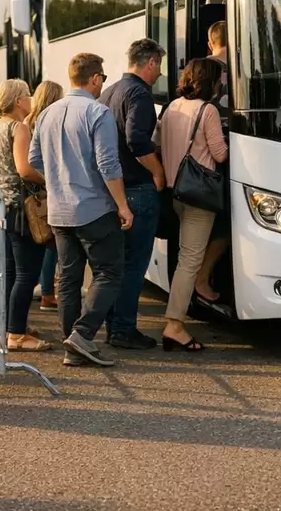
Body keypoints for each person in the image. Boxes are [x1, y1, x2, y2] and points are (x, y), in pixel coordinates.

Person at [29, 53, 133, 368]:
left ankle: (72, 346)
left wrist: (58, 179)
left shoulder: (46, 113)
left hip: (58, 210)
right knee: (109, 272)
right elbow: (108, 164)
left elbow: (34, 159)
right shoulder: (97, 112)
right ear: (96, 78)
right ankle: (82, 334)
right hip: (93, 208)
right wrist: (122, 205)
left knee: (68, 277)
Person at [98, 38, 166, 350]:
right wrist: (158, 171)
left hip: (113, 191)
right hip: (137, 189)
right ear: (150, 62)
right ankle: (124, 329)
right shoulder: (139, 94)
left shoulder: (109, 92)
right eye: (159, 66)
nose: (160, 73)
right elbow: (137, 140)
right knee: (135, 265)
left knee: (116, 265)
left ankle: (113, 325)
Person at [160, 58, 228, 351]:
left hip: (175, 191)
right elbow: (220, 154)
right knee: (190, 261)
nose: (221, 84)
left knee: (184, 257)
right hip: (199, 195)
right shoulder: (207, 110)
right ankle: (174, 325)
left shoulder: (172, 107)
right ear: (209, 82)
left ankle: (174, 321)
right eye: (219, 79)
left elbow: (158, 142)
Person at [0, 79, 53, 352]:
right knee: (27, 274)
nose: (31, 99)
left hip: (1, 206)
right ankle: (16, 335)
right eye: (28, 95)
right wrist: (49, 181)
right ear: (18, 101)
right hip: (21, 209)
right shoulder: (19, 127)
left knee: (12, 272)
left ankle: (12, 326)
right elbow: (24, 169)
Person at [197, 20, 231, 301]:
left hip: (202, 159)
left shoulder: (198, 70)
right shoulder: (244, 69)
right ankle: (202, 277)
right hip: (228, 155)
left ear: (210, 43)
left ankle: (199, 276)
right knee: (225, 222)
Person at [25, 80, 65, 312]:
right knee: (51, 242)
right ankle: (48, 292)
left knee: (42, 240)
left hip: (32, 192)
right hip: (45, 188)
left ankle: (44, 287)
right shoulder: (48, 121)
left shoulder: (27, 121)